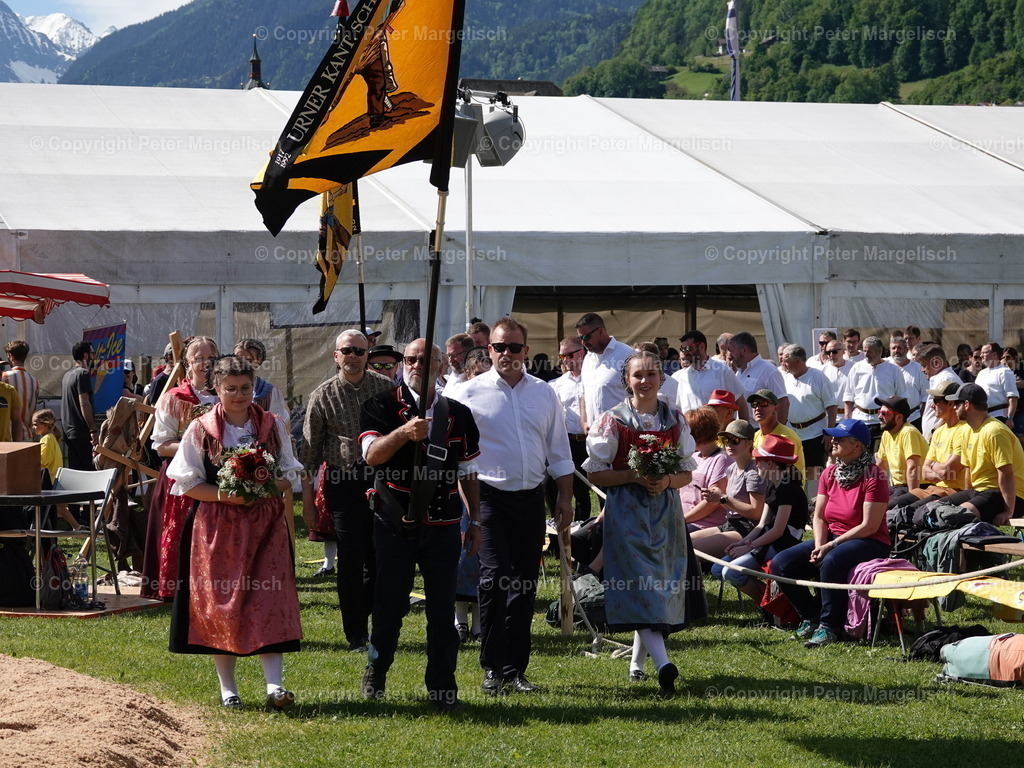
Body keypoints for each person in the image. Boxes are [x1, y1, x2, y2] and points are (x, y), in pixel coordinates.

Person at [444, 317, 574, 696]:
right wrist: (469, 509)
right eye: (499, 347)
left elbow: (559, 450)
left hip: (531, 499)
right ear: (489, 350)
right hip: (488, 500)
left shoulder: (545, 393)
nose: (506, 353)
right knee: (493, 579)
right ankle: (492, 668)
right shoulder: (467, 393)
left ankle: (515, 670)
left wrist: (564, 498)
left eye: (514, 347)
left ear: (526, 351)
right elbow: (458, 457)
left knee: (524, 585)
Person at [167, 355, 302, 711]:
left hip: (265, 526)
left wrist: (262, 487)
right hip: (218, 527)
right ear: (217, 388)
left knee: (268, 600)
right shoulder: (200, 429)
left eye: (245, 388)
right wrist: (229, 494)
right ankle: (228, 689)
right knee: (222, 603)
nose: (240, 395)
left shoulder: (272, 425)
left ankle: (275, 686)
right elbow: (186, 484)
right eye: (231, 389)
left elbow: (289, 476)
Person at [358, 339, 481, 711]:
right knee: (389, 604)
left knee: (442, 609)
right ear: (402, 364)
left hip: (444, 522)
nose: (416, 365)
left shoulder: (458, 413)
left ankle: (443, 687)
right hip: (393, 520)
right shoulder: (379, 405)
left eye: (426, 360)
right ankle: (376, 671)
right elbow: (372, 455)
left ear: (441, 367)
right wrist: (403, 433)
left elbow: (468, 471)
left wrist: (475, 520)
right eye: (411, 359)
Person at [583, 350, 699, 694]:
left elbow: (686, 473)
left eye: (651, 374)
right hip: (627, 514)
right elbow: (596, 474)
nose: (645, 381)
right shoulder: (612, 420)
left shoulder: (674, 419)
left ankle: (636, 665)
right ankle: (664, 665)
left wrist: (666, 481)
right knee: (641, 585)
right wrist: (633, 476)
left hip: (665, 514)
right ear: (626, 380)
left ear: (661, 378)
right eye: (638, 375)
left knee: (657, 588)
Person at [301, 329, 395, 651]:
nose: (352, 356)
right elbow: (309, 454)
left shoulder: (386, 388)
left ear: (367, 355)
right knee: (351, 557)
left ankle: (368, 616)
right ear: (336, 356)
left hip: (381, 481)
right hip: (342, 484)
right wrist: (308, 503)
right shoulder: (322, 395)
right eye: (347, 351)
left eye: (359, 351)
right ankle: (356, 633)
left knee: (378, 556)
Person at [769, 418, 890, 648]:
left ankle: (829, 626)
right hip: (833, 538)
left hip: (870, 541)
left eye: (839, 438)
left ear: (857, 445)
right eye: (833, 437)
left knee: (831, 561)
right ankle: (811, 615)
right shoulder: (830, 473)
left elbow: (869, 526)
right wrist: (819, 545)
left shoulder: (875, 476)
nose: (832, 441)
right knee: (780, 564)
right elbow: (819, 517)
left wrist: (830, 546)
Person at [143, 336, 220, 601]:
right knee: (182, 531)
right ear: (187, 363)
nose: (205, 363)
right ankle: (177, 588)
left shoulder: (226, 395)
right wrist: (199, 444)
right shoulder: (174, 398)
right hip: (182, 476)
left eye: (210, 357)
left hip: (218, 476)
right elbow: (161, 445)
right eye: (198, 358)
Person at [712, 435, 807, 603]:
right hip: (767, 540)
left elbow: (778, 531)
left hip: (783, 544)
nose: (755, 464)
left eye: (759, 460)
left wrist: (749, 546)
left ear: (770, 464)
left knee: (730, 572)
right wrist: (742, 543)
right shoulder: (772, 484)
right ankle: (774, 603)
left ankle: (774, 606)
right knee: (718, 569)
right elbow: (762, 524)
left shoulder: (788, 489)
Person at [941, 383, 1024, 524]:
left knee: (954, 516)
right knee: (931, 509)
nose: (953, 407)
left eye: (956, 403)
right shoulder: (967, 431)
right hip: (980, 492)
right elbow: (969, 471)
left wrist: (1008, 511)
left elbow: (1006, 473)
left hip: (1007, 495)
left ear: (967, 404)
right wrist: (968, 496)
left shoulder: (994, 431)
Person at [693, 419, 767, 559]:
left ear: (749, 443)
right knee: (681, 543)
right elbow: (729, 503)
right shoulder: (731, 468)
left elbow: (757, 513)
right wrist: (715, 498)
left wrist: (723, 499)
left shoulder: (754, 473)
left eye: (736, 440)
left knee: (689, 550)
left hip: (748, 530)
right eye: (726, 440)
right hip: (730, 524)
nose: (729, 444)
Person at [781, 344, 837, 489]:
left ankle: (814, 501)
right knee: (795, 473)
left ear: (797, 361)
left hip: (815, 434)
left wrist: (829, 432)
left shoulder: (818, 377)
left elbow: (831, 406)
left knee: (814, 473)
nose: (783, 363)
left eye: (786, 360)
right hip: (793, 434)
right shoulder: (786, 378)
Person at [549, 336, 591, 521]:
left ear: (581, 353)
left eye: (569, 355)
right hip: (570, 441)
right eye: (562, 356)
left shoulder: (593, 378)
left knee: (599, 488)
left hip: (592, 441)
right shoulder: (558, 384)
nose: (565, 360)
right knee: (577, 489)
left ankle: (598, 530)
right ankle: (574, 530)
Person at [844, 336, 909, 448]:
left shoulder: (893, 370)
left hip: (884, 422)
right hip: (860, 421)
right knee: (860, 455)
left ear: (879, 351)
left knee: (879, 456)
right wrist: (847, 421)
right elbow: (848, 397)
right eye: (864, 351)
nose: (865, 354)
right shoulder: (856, 368)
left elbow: (902, 398)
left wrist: (899, 423)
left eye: (869, 351)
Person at [672, 330, 749, 420]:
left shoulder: (722, 370)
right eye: (682, 349)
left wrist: (743, 427)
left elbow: (740, 401)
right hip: (690, 428)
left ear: (701, 347)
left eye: (688, 348)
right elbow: (677, 410)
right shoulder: (681, 377)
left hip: (718, 428)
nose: (685, 353)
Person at [679, 406, 732, 533]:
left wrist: (682, 520)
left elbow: (712, 502)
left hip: (704, 525)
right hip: (682, 520)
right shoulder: (692, 457)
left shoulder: (722, 459)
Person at [576, 312, 632, 430]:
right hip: (593, 435)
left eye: (586, 337)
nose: (583, 342)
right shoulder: (588, 358)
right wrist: (584, 421)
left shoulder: (627, 354)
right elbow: (584, 393)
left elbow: (640, 395)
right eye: (580, 338)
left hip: (621, 433)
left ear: (600, 331)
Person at [874, 396, 928, 507]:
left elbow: (913, 468)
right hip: (897, 487)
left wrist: (912, 498)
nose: (879, 416)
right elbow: (881, 465)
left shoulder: (909, 432)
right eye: (879, 412)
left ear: (899, 417)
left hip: (916, 487)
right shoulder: (887, 433)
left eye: (884, 413)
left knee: (883, 508)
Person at [31, 409, 79, 530]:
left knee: (57, 507)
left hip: (50, 481)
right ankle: (77, 527)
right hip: (55, 479)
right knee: (60, 508)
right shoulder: (51, 438)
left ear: (45, 424)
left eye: (36, 424)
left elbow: (43, 461)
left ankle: (76, 527)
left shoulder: (46, 439)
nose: (33, 427)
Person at [727, 332, 790, 424]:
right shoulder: (739, 372)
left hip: (762, 429)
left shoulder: (769, 370)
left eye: (732, 351)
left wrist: (777, 430)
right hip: (744, 429)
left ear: (744, 350)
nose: (729, 355)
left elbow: (783, 402)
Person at [748, 389, 806, 480]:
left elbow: (786, 474)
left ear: (776, 408)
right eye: (754, 404)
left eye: (763, 404)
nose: (758, 408)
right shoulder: (755, 436)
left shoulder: (786, 437)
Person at [233, 339, 289, 424]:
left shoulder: (269, 392)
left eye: (249, 360)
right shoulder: (222, 388)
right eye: (238, 359)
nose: (242, 365)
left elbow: (279, 424)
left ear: (259, 361)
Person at [60, 340, 93, 469]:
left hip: (68, 431)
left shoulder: (67, 375)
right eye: (92, 354)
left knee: (75, 470)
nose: (94, 357)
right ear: (85, 355)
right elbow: (84, 402)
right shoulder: (83, 374)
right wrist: (93, 429)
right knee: (86, 471)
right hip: (81, 432)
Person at [919, 344, 962, 441]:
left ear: (936, 362)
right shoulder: (941, 378)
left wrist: (935, 430)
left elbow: (953, 410)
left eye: (924, 366)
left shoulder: (946, 379)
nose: (922, 370)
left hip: (944, 438)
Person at [975, 342, 1018, 430]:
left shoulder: (1005, 372)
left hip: (1000, 417)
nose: (981, 355)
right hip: (982, 418)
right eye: (981, 353)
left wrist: (1010, 418)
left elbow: (1013, 397)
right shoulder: (981, 373)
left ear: (994, 354)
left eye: (984, 352)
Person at [4, 340, 37, 439]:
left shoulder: (4, 377)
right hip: (27, 435)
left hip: (8, 435)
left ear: (11, 356)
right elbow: (32, 409)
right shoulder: (34, 381)